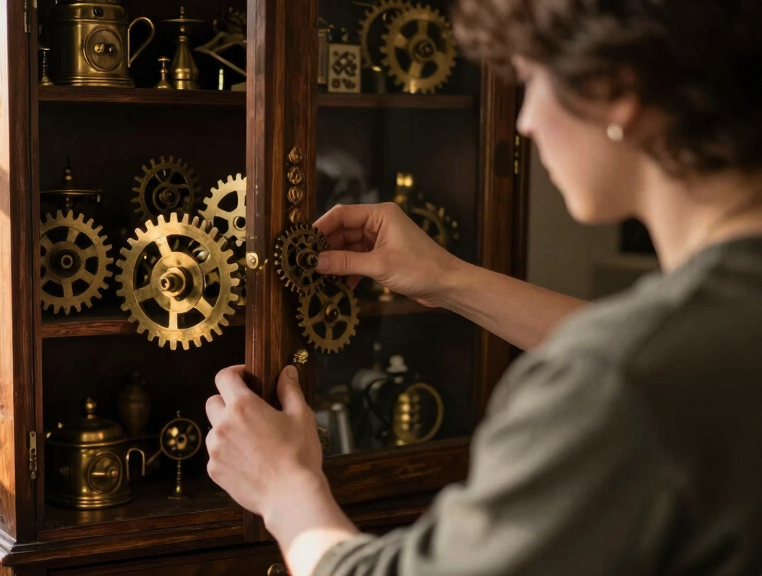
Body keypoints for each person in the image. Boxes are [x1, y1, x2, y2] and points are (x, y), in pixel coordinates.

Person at [203, 0, 762, 575]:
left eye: (530, 80)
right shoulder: (702, 333)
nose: (524, 122)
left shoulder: (621, 379)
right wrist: (450, 279)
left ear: (615, 88)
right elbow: (672, 353)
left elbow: (631, 366)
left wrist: (285, 489)